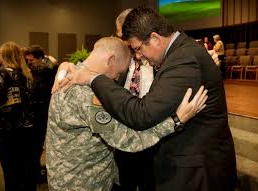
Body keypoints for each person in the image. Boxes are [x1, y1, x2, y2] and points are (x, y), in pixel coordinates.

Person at [55, 7, 237, 191]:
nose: (138, 56)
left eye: (138, 49)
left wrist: (93, 78)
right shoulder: (177, 54)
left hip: (197, 171)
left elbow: (143, 114)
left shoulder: (183, 59)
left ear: (156, 38)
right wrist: (65, 66)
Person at [47, 36, 207, 191]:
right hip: (82, 184)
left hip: (72, 178)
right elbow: (126, 140)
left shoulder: (70, 75)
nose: (117, 78)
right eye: (118, 72)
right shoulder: (85, 93)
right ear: (110, 59)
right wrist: (176, 120)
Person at [115, 8, 156, 191]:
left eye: (122, 36)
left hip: (155, 137)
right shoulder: (118, 59)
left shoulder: (161, 61)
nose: (120, 40)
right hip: (124, 138)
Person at [0, 41, 37, 191]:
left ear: (5, 55)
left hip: (6, 128)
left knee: (9, 170)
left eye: (0, 53)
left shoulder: (2, 74)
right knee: (24, 168)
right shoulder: (26, 74)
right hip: (26, 127)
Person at [25, 45, 58, 183]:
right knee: (38, 146)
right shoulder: (49, 65)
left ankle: (36, 174)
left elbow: (47, 67)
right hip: (42, 112)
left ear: (39, 58)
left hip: (42, 113)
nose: (29, 63)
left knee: (37, 146)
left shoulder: (43, 69)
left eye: (31, 60)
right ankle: (37, 172)